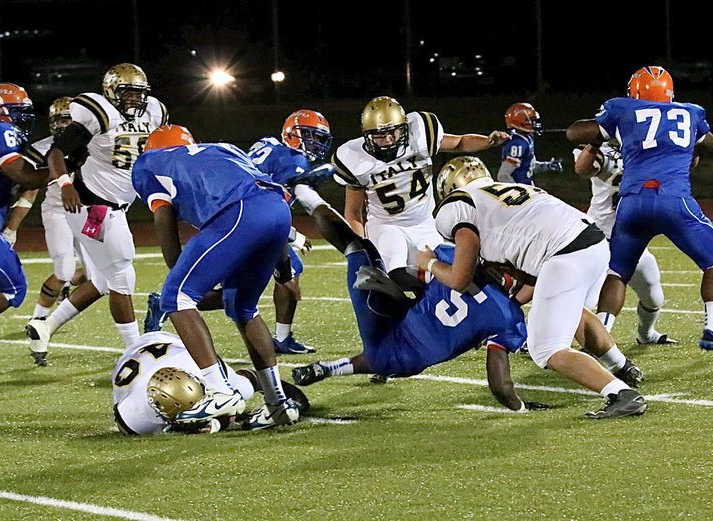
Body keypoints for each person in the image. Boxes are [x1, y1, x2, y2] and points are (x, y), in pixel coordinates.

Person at [288, 196, 644, 410]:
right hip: (405, 360)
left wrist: (403, 282)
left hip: (390, 325)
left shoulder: (450, 258)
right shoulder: (508, 316)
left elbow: (417, 281)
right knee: (385, 355)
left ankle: (305, 195)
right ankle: (328, 368)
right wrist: (519, 407)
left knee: (358, 249)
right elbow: (500, 384)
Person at [416, 156, 647, 419]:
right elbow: (529, 274)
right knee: (572, 312)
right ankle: (623, 367)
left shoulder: (457, 205)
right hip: (592, 241)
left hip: (563, 253)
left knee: (547, 349)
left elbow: (459, 278)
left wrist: (431, 263)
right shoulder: (510, 192)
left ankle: (622, 393)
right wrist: (509, 304)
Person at [566, 65, 713, 356]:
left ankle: (600, 338)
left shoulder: (622, 109)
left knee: (617, 273)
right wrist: (687, 145)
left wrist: (610, 132)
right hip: (673, 201)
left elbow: (574, 132)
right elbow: (709, 142)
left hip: (632, 204)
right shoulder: (690, 112)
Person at [130, 124, 300, 429]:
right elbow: (267, 189)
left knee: (176, 297)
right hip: (278, 211)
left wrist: (176, 272)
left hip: (239, 211)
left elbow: (163, 214)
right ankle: (277, 404)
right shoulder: (224, 148)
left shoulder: (149, 163)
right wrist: (284, 268)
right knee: (243, 307)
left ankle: (221, 391)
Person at [25, 63, 169, 365]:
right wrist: (65, 185)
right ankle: (135, 349)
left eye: (137, 93)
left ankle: (45, 325)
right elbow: (56, 153)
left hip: (116, 205)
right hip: (93, 205)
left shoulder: (155, 112)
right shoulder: (100, 113)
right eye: (126, 92)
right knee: (122, 272)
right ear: (110, 92)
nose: (133, 99)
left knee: (105, 279)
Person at [333, 96, 509, 292]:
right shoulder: (355, 160)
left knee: (446, 279)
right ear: (367, 135)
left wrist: (487, 142)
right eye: (380, 135)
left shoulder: (420, 136)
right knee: (390, 278)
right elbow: (353, 213)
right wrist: (363, 250)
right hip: (387, 226)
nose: (389, 139)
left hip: (426, 223)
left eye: (394, 132)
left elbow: (459, 142)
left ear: (405, 127)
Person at [244, 109, 333, 354]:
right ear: (292, 133)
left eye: (319, 138)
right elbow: (271, 205)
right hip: (251, 222)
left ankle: (282, 338)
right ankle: (174, 305)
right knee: (282, 280)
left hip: (239, 214)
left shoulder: (267, 144)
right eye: (309, 136)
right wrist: (292, 235)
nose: (315, 143)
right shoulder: (294, 160)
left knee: (249, 284)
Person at [572, 141, 675, 345]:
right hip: (600, 238)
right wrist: (594, 144)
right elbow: (583, 169)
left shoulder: (647, 147)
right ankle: (541, 340)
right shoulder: (600, 150)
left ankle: (646, 334)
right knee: (585, 300)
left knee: (654, 296)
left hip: (631, 236)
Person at [112, 331, 309, 435]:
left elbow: (245, 389)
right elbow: (123, 423)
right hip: (134, 361)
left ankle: (276, 397)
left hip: (170, 344)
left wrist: (217, 421)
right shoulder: (138, 415)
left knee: (242, 389)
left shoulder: (201, 369)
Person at [0, 83, 49, 331]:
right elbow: (25, 176)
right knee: (12, 287)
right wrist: (61, 169)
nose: (21, 117)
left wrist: (11, 227)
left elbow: (29, 181)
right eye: (15, 110)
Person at [21, 97, 89, 323]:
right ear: (52, 122)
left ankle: (67, 286)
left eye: (72, 121)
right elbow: (29, 189)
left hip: (87, 212)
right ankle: (38, 319)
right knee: (64, 270)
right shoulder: (42, 148)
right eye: (62, 120)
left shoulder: (94, 144)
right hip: (57, 212)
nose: (67, 126)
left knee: (95, 275)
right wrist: (12, 227)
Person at [496, 102, 563, 184]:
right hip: (521, 191)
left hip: (527, 187)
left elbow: (528, 166)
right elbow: (503, 175)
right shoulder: (517, 143)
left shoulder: (526, 138)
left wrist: (546, 166)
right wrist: (519, 191)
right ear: (520, 121)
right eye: (531, 120)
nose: (534, 123)